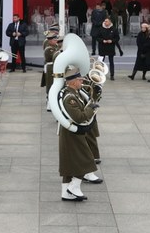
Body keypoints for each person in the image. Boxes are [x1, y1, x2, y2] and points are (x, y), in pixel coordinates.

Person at [57, 66, 100, 201]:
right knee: (86, 160)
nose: (82, 82)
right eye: (80, 80)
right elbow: (79, 117)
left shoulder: (75, 93)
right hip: (72, 133)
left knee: (69, 164)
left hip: (71, 132)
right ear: (73, 81)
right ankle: (74, 187)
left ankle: (65, 192)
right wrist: (91, 109)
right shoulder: (70, 97)